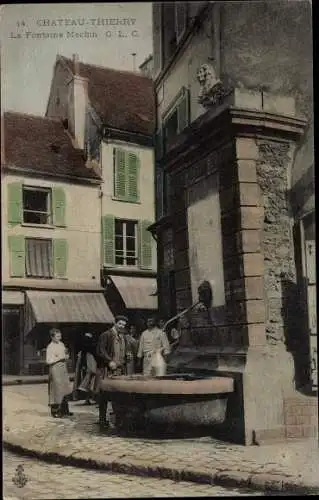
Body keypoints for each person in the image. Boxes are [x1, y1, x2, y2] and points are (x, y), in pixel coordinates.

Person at [95, 315, 129, 430]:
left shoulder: (122, 336)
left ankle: (118, 419)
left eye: (123, 325)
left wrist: (127, 356)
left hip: (119, 369)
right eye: (120, 324)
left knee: (118, 395)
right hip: (107, 369)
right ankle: (102, 420)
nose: (121, 326)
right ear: (115, 323)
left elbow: (123, 350)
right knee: (104, 395)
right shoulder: (106, 335)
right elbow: (100, 350)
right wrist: (109, 361)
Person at [46, 328, 73, 418]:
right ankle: (55, 411)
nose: (59, 338)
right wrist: (59, 358)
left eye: (60, 336)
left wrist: (66, 356)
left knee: (64, 388)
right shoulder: (50, 347)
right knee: (56, 389)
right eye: (57, 336)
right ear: (52, 337)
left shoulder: (61, 344)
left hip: (62, 368)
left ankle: (65, 410)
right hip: (55, 369)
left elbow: (64, 353)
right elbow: (48, 361)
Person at [73, 332, 97, 405]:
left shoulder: (87, 349)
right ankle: (87, 398)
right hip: (87, 366)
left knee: (89, 380)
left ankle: (88, 398)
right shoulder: (85, 351)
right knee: (87, 380)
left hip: (89, 366)